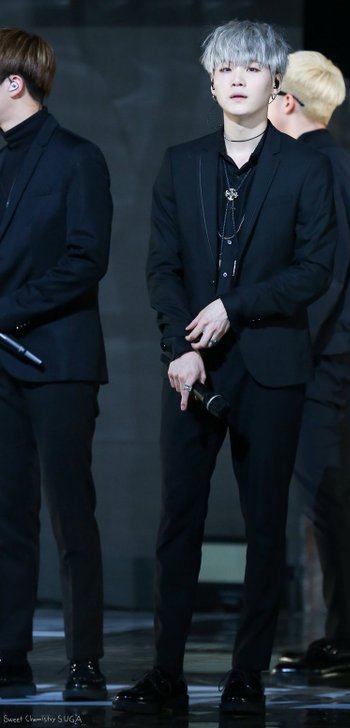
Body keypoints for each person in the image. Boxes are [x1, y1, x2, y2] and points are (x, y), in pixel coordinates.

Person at [112, 20, 337, 717]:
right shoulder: (181, 163)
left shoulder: (305, 167)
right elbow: (162, 269)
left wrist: (232, 308)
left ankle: (247, 673)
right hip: (192, 366)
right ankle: (166, 672)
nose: (238, 78)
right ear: (211, 83)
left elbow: (315, 270)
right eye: (225, 69)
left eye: (252, 68)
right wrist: (177, 348)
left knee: (265, 525)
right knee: (178, 520)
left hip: (271, 367)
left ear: (275, 83)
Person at [0, 29, 112, 699]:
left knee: (72, 514)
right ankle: (8, 653)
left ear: (14, 83)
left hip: (58, 361)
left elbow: (85, 259)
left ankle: (84, 660)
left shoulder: (76, 157)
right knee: (7, 514)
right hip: (2, 364)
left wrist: (7, 309)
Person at [268, 51, 350, 685]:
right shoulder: (339, 163)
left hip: (321, 356)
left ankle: (348, 643)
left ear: (286, 100)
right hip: (332, 351)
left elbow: (326, 276)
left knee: (329, 495)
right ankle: (343, 637)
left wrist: (291, 352)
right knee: (329, 494)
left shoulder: (320, 167)